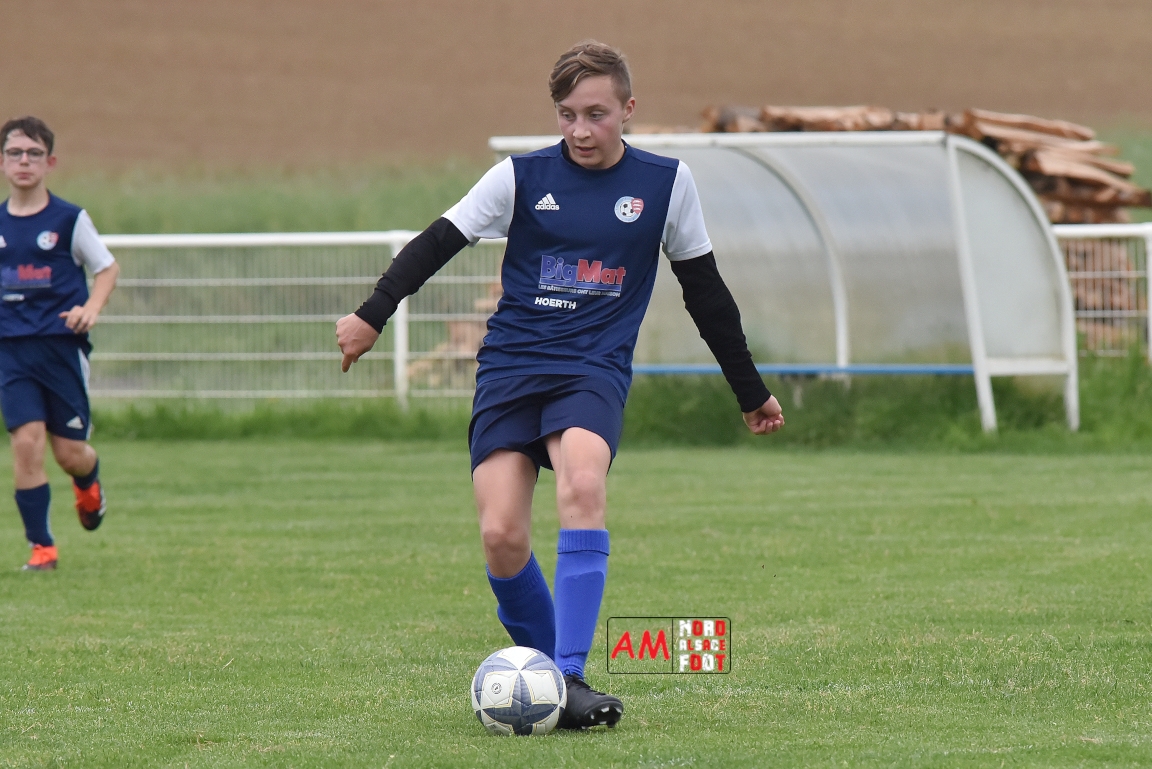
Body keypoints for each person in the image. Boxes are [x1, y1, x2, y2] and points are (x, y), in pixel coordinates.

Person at [336, 41, 783, 729]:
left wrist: (749, 390)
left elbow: (706, 293)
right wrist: (373, 313)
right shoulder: (520, 177)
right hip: (512, 368)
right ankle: (553, 681)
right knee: (500, 535)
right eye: (567, 115)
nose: (580, 130)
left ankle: (567, 675)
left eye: (595, 114)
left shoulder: (667, 184)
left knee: (582, 484)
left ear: (628, 110)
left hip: (591, 369)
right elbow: (437, 242)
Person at [0, 117, 119, 571]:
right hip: (11, 350)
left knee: (69, 454)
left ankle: (88, 483)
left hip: (61, 348)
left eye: (34, 154)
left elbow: (106, 268)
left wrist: (91, 308)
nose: (24, 161)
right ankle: (42, 548)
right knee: (26, 444)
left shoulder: (69, 219)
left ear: (49, 163)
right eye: (15, 153)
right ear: (2, 162)